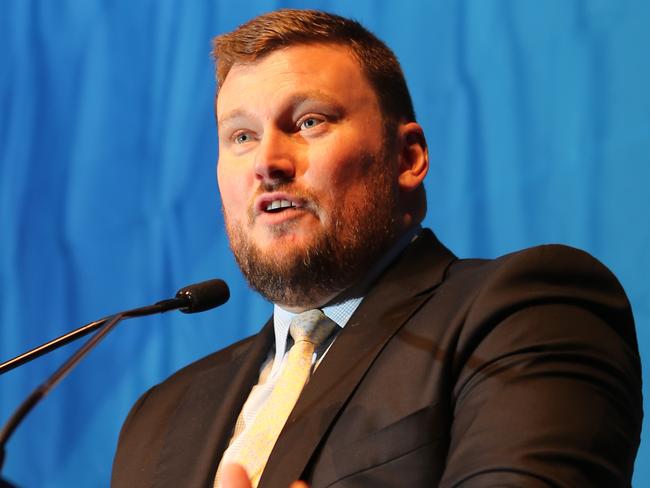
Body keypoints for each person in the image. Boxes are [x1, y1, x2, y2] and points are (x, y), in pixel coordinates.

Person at [111, 9, 642, 488]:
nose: (267, 162)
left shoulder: (527, 312)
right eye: (241, 136)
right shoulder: (160, 417)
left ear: (407, 157)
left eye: (308, 122)